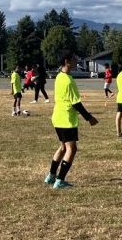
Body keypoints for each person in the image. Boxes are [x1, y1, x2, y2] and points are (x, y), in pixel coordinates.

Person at [44, 52, 98, 189]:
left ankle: (51, 176)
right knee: (71, 149)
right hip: (66, 119)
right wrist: (89, 118)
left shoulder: (60, 77)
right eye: (74, 59)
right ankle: (59, 181)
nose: (76, 61)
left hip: (58, 117)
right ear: (67, 62)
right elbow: (76, 103)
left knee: (63, 147)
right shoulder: (68, 80)